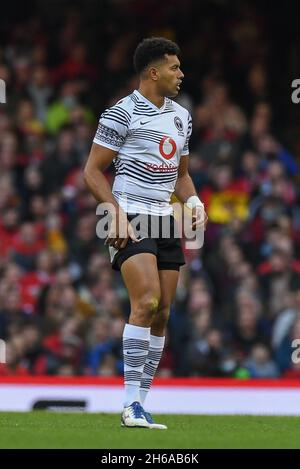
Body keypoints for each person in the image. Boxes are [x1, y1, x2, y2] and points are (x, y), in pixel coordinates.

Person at [84, 37, 207, 429]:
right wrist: (114, 214)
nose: (181, 74)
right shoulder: (121, 114)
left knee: (164, 312)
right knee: (148, 300)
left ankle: (139, 403)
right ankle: (128, 405)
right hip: (128, 214)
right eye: (174, 67)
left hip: (164, 217)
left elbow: (181, 175)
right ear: (153, 72)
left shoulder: (182, 117)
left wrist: (194, 202)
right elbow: (92, 171)